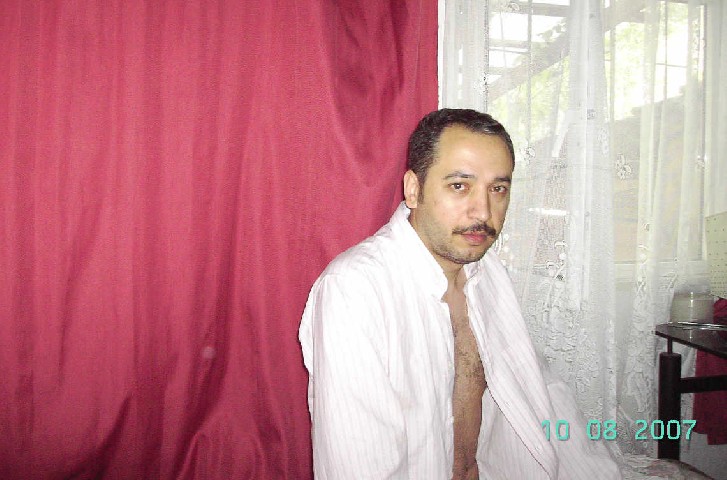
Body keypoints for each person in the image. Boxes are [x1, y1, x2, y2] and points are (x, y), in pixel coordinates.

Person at [299, 109, 620, 479]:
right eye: (459, 186)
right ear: (414, 189)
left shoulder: (489, 273)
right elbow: (361, 465)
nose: (482, 211)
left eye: (497, 189)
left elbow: (540, 393)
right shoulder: (355, 292)